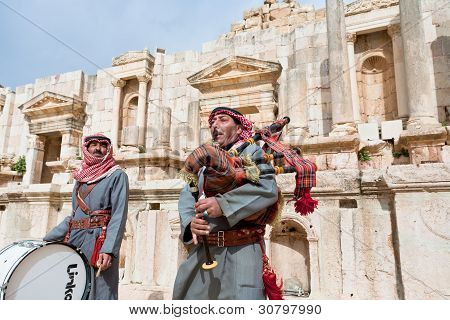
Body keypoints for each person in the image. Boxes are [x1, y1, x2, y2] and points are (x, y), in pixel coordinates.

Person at [173, 107, 279, 300]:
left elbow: (267, 188)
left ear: (239, 129)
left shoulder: (252, 152)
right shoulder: (205, 160)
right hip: (205, 252)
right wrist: (190, 223)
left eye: (223, 120)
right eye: (212, 122)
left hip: (242, 252)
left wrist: (223, 204)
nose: (215, 125)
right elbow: (188, 192)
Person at [44, 133, 129, 300]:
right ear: (87, 148)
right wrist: (48, 239)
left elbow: (119, 215)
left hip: (99, 241)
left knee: (101, 292)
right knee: (74, 288)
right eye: (94, 144)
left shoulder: (117, 175)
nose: (98, 148)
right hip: (76, 240)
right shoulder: (80, 178)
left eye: (103, 145)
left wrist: (108, 249)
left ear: (108, 149)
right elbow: (74, 216)